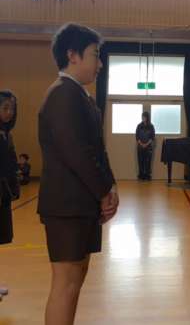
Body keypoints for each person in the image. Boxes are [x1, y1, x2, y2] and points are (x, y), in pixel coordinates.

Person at [38, 23, 119, 325]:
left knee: (75, 280)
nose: (100, 64)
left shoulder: (80, 95)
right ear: (72, 55)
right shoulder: (63, 94)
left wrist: (109, 187)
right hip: (66, 205)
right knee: (66, 284)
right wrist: (103, 191)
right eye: (95, 55)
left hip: (80, 204)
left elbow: (96, 148)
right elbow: (76, 152)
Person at [0, 90, 20, 301]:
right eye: (5, 108)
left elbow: (10, 163)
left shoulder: (7, 134)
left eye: (12, 108)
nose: (9, 112)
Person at [135, 111, 155, 181]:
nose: (143, 118)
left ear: (147, 117)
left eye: (144, 117)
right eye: (142, 117)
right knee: (140, 161)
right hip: (140, 147)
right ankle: (141, 176)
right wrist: (141, 144)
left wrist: (146, 144)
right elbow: (137, 137)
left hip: (148, 147)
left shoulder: (151, 126)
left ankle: (147, 176)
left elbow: (152, 137)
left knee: (148, 162)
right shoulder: (139, 126)